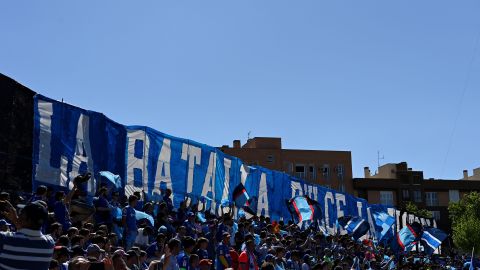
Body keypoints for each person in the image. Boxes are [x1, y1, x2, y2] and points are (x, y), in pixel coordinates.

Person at [0, 200, 55, 270]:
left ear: (28, 220)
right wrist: (18, 222)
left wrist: (15, 221)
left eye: (22, 213)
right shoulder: (50, 243)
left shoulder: (5, 239)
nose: (19, 214)